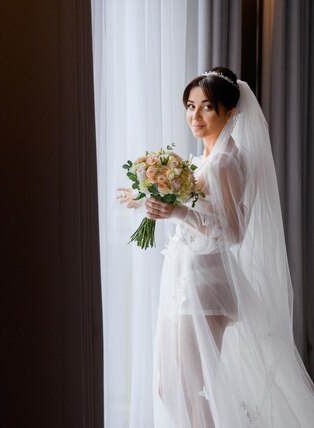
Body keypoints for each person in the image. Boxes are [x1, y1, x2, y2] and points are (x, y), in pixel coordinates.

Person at [117, 67, 314, 427]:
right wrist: (144, 194)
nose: (195, 116)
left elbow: (233, 231)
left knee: (192, 389)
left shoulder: (224, 161)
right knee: (168, 386)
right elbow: (200, 207)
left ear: (230, 112)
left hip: (208, 282)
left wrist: (177, 212)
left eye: (207, 107)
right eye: (190, 106)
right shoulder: (205, 159)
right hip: (186, 278)